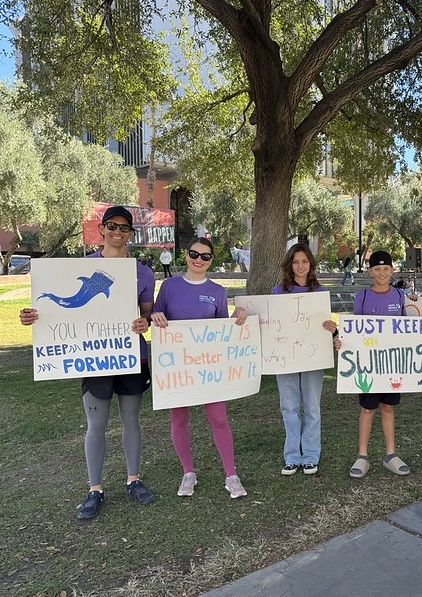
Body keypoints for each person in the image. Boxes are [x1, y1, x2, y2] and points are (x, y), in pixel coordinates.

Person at [19, 205, 156, 520]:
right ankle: (95, 489)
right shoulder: (81, 266)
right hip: (93, 357)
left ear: (131, 233)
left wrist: (144, 322)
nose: (118, 232)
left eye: (124, 228)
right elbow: (59, 308)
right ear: (102, 230)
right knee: (96, 424)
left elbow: (146, 313)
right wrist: (33, 317)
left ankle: (133, 480)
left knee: (131, 419)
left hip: (130, 354)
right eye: (112, 226)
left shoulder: (143, 272)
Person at [151, 237, 250, 499]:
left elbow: (221, 332)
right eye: (195, 254)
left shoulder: (217, 290)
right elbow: (157, 317)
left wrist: (237, 315)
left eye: (205, 256)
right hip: (177, 368)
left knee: (218, 419)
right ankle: (188, 472)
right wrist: (155, 316)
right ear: (186, 255)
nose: (199, 259)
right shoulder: (169, 287)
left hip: (208, 368)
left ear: (211, 260)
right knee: (179, 419)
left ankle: (231, 475)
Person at [338, 250, 412, 479]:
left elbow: (412, 326)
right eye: (377, 269)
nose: (382, 273)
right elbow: (354, 329)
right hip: (368, 366)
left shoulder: (400, 297)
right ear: (370, 272)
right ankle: (362, 455)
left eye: (386, 269)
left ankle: (391, 454)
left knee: (388, 407)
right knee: (368, 408)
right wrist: (343, 341)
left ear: (392, 271)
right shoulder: (362, 297)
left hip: (391, 365)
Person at [272, 243, 337, 476]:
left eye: (305, 261)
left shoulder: (319, 294)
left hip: (313, 358)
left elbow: (326, 329)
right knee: (288, 407)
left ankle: (310, 455)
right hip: (286, 358)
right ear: (290, 264)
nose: (300, 266)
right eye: (296, 261)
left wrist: (333, 329)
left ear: (311, 265)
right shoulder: (278, 292)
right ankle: (291, 456)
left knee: (312, 407)